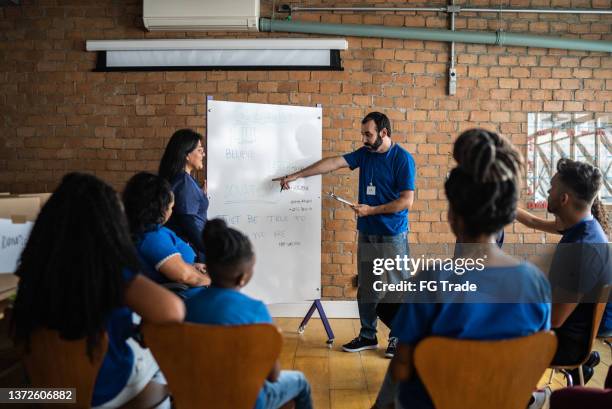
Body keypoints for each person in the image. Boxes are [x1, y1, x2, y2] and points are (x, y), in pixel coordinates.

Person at [381, 129, 551, 409]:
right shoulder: (536, 284)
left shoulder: (431, 282)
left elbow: (401, 369)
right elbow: (534, 360)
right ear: (508, 215)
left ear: (452, 217)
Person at [11, 173, 185, 408]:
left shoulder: (32, 271)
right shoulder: (112, 273)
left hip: (47, 394)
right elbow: (173, 311)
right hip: (103, 394)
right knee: (166, 360)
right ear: (108, 224)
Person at [274, 112, 416, 357]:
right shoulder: (365, 154)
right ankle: (367, 335)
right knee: (367, 286)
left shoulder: (402, 159)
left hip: (393, 234)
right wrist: (296, 176)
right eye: (363, 133)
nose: (363, 139)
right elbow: (332, 163)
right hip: (367, 232)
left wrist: (371, 210)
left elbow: (406, 201)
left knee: (397, 287)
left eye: (368, 134)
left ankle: (398, 337)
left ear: (383, 133)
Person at [185, 219, 313, 409]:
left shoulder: (186, 307)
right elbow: (273, 375)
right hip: (247, 401)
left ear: (207, 267)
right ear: (243, 276)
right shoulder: (255, 311)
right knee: (300, 381)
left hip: (195, 399)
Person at [516, 159, 611, 384]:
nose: (548, 191)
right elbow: (532, 221)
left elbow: (556, 318)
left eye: (551, 187)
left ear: (563, 198)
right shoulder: (583, 227)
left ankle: (524, 398)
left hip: (564, 343)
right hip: (568, 331)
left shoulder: (583, 248)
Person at [123, 172, 210, 298]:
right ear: (159, 208)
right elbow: (183, 276)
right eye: (170, 207)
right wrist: (211, 279)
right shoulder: (152, 237)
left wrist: (192, 266)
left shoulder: (151, 231)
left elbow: (171, 265)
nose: (171, 212)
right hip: (186, 298)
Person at [159, 129, 208, 261]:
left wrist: (199, 196)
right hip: (191, 249)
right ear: (186, 155)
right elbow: (188, 222)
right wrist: (208, 250)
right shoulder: (184, 181)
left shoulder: (184, 179)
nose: (203, 154)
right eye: (199, 150)